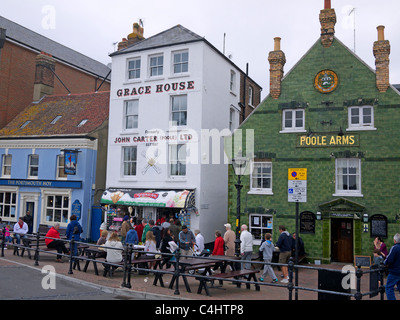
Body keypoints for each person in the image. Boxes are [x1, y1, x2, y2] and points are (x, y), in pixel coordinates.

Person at [384, 233, 400, 300]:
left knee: (389, 287)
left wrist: (384, 263)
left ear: (395, 240)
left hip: (394, 271)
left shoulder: (395, 247)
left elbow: (389, 259)